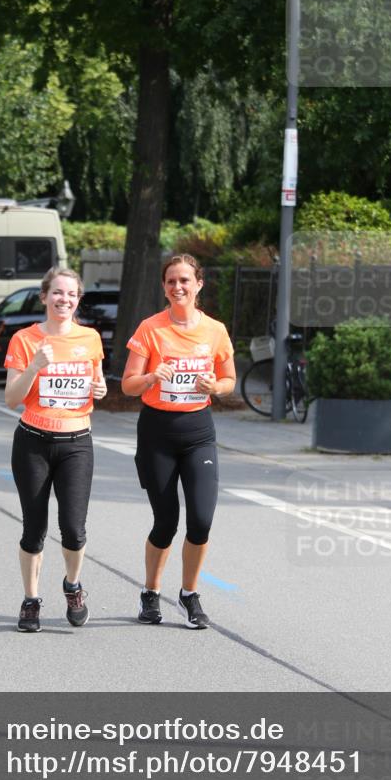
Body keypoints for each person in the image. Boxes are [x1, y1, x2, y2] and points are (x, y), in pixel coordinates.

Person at [121, 254, 236, 629]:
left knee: (201, 520)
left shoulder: (215, 330)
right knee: (166, 521)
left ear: (199, 284)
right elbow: (128, 384)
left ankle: (189, 594)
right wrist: (153, 376)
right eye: (171, 281)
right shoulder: (150, 329)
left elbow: (229, 380)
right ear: (164, 287)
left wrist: (215, 387)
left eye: (185, 280)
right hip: (158, 432)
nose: (178, 287)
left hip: (198, 432)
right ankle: (151, 593)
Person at [4, 267, 107, 632]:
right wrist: (34, 366)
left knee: (74, 529)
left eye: (71, 294)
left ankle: (72, 585)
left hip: (77, 443)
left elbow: (97, 380)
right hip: (33, 442)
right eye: (57, 293)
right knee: (34, 529)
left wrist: (101, 390)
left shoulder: (90, 338)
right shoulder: (24, 339)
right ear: (45, 296)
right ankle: (31, 600)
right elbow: (12, 397)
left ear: (78, 299)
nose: (64, 300)